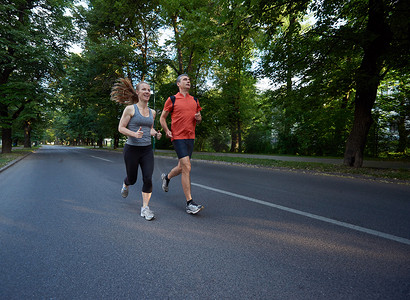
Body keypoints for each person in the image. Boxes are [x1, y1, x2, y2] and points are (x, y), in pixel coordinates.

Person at [111, 78, 162, 221]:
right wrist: (134, 134)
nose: (147, 92)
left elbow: (149, 129)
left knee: (148, 178)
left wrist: (156, 133)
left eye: (148, 90)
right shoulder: (130, 109)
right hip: (132, 149)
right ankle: (125, 184)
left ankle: (145, 208)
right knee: (132, 179)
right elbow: (120, 128)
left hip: (146, 150)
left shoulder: (152, 112)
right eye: (144, 89)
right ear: (138, 92)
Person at [159, 74, 203, 215]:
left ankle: (167, 178)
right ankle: (190, 203)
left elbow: (199, 119)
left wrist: (199, 117)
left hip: (190, 137)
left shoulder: (195, 100)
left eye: (189, 80)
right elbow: (162, 118)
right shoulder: (172, 99)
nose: (188, 81)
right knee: (187, 167)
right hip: (177, 137)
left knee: (181, 166)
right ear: (178, 84)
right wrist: (167, 130)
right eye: (185, 79)